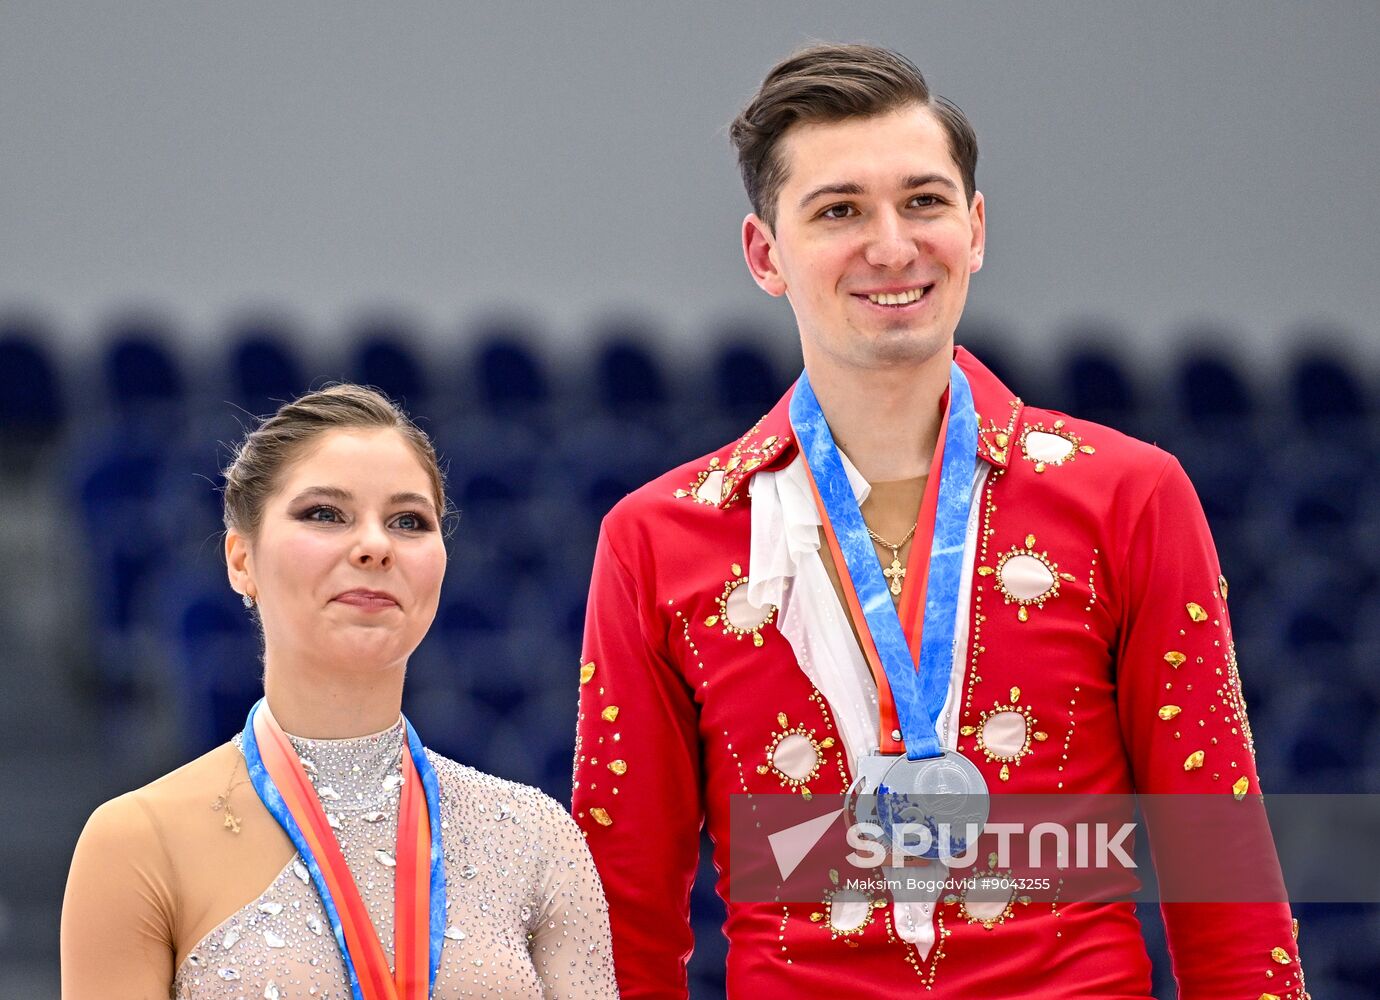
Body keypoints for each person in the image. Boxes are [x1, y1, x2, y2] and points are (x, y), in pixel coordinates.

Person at [571, 44, 1307, 998]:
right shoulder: (658, 538)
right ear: (765, 255)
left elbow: (1224, 873)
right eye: (839, 211)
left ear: (977, 226)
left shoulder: (1129, 495)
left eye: (923, 202)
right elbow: (623, 917)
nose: (891, 246)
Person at [63, 385, 618, 1000]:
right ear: (241, 559)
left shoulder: (537, 837)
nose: (375, 545)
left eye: (409, 521)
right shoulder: (137, 843)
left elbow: (750, 890)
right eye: (325, 513)